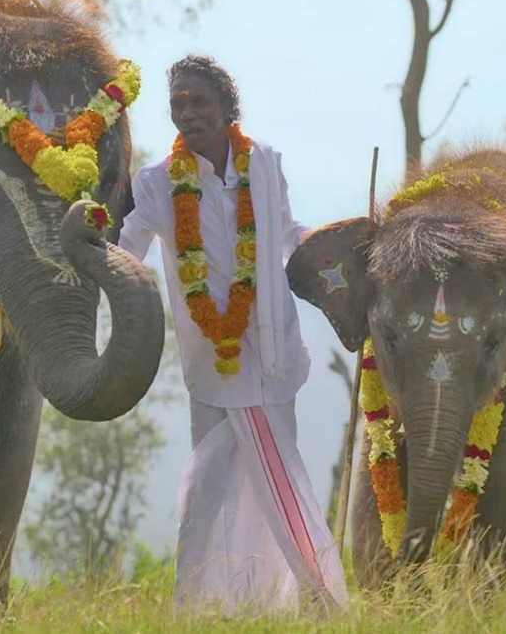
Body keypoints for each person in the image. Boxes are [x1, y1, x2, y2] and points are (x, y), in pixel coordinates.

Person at [117, 55, 348, 616]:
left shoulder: (264, 164)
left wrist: (331, 244)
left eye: (198, 101)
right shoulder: (155, 183)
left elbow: (288, 230)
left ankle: (317, 600)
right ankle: (210, 604)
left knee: (274, 478)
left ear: (227, 108)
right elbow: (129, 249)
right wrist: (88, 258)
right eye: (177, 103)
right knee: (212, 485)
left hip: (270, 355)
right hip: (210, 364)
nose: (186, 112)